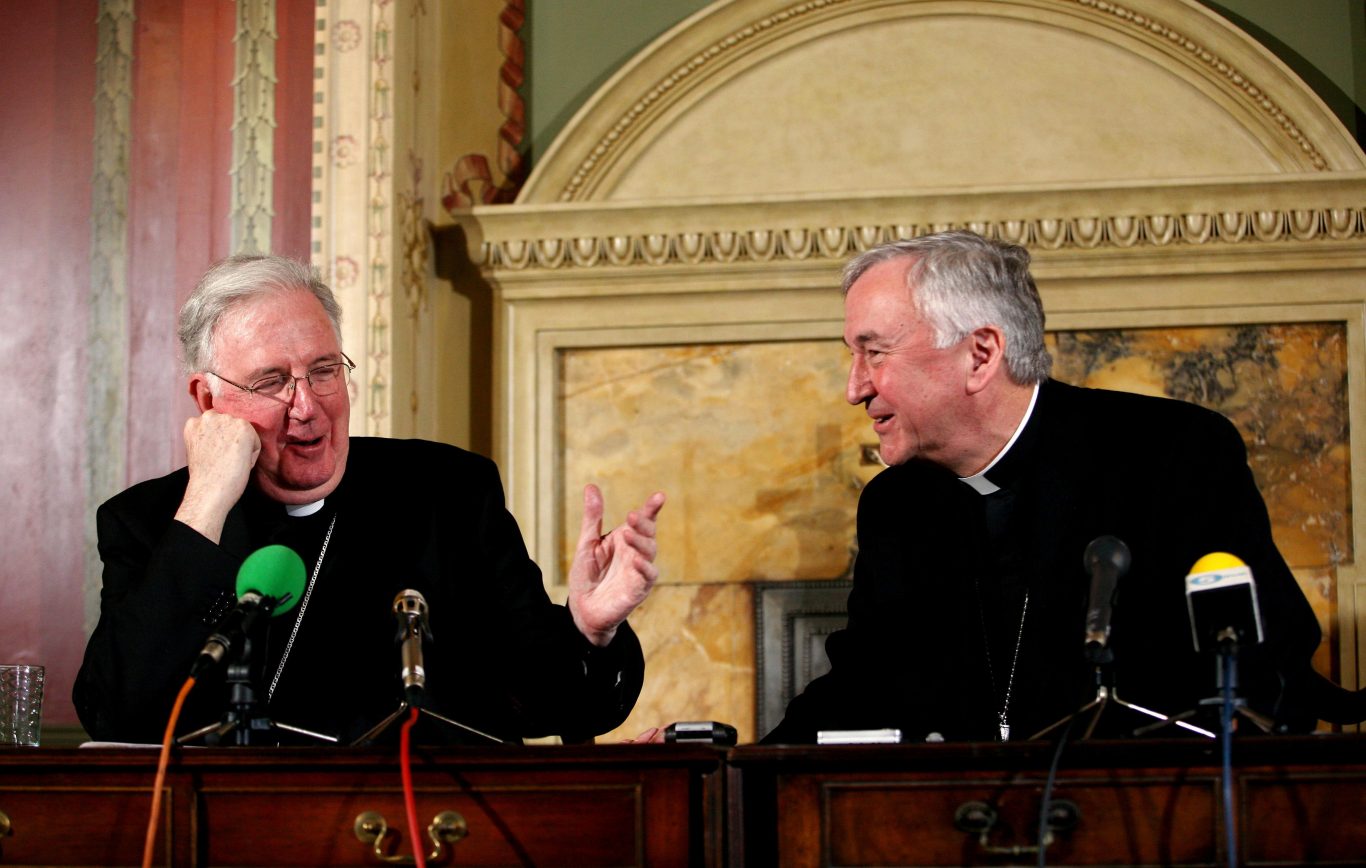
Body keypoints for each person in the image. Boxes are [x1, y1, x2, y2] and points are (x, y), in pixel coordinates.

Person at [762, 230, 1331, 744]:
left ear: (980, 355)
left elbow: (1263, 665)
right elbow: (864, 680)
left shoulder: (1170, 452)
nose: (854, 387)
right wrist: (723, 769)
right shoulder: (897, 504)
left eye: (875, 353)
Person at [75, 254, 665, 745]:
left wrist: (589, 630)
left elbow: (555, 706)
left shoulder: (446, 492)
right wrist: (204, 505)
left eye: (324, 370)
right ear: (207, 400)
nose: (306, 406)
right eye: (271, 381)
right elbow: (115, 716)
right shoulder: (149, 522)